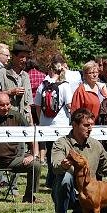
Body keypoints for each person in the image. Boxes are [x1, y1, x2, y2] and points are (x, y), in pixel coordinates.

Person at [0, 92, 41, 204]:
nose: (6, 107)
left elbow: (31, 134)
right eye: (2, 105)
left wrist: (33, 154)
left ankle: (29, 197)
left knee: (36, 164)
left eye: (8, 104)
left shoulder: (17, 116)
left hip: (14, 159)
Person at [35, 54, 74, 187]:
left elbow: (38, 106)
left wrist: (42, 120)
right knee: (61, 152)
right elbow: (69, 106)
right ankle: (56, 180)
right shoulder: (64, 86)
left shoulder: (43, 85)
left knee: (51, 151)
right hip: (61, 125)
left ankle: (50, 180)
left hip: (46, 124)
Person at [0, 41, 33, 120]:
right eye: (22, 56)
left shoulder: (26, 76)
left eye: (27, 57)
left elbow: (28, 105)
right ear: (14, 56)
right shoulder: (1, 74)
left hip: (23, 122)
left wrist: (31, 124)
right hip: (6, 121)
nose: (25, 60)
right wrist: (9, 92)